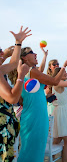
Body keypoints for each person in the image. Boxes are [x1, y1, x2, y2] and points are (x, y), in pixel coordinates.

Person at [8, 46, 67, 162]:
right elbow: (53, 81)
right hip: (35, 118)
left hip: (32, 115)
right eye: (32, 52)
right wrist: (64, 66)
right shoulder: (31, 72)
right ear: (24, 58)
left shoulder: (26, 74)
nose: (35, 54)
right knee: (33, 151)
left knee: (32, 150)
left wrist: (44, 97)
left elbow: (25, 97)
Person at [0, 26, 31, 162]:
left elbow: (13, 63)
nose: (3, 53)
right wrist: (20, 76)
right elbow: (13, 98)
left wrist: (18, 43)